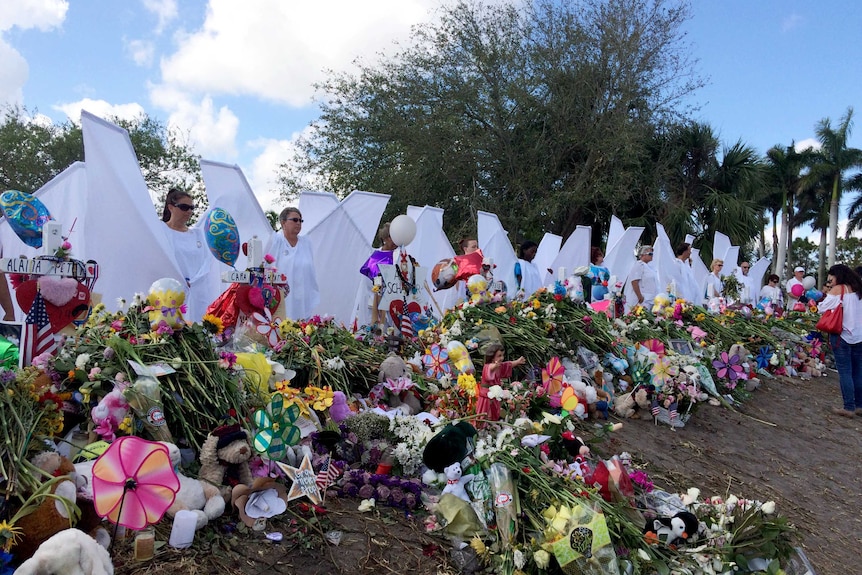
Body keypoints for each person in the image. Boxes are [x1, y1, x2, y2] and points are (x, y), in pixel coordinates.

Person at [817, 264, 862, 417]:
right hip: (859, 336)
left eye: (832, 277)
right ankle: (859, 405)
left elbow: (822, 308)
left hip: (843, 335)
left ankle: (848, 407)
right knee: (858, 372)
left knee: (845, 372)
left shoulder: (840, 289)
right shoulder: (858, 289)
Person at [161, 188, 212, 322]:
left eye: (191, 208)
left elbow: (207, 262)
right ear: (171, 207)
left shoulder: (198, 234)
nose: (189, 212)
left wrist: (194, 282)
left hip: (197, 293)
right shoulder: (161, 231)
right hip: (169, 292)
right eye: (184, 207)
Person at [266, 207, 320, 320]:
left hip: (302, 297)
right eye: (295, 220)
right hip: (281, 298)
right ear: (283, 222)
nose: (298, 223)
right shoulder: (276, 240)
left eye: (301, 221)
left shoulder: (306, 243)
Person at [476, 342, 525, 426]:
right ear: (492, 356)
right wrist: (495, 365)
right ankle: (482, 428)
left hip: (495, 395)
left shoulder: (499, 366)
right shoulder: (488, 366)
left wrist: (517, 362)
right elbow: (490, 368)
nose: (502, 358)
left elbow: (508, 365)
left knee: (494, 413)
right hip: (486, 396)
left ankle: (493, 426)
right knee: (484, 414)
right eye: (499, 356)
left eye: (502, 355)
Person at [358, 222, 396, 327]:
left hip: (393, 304)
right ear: (385, 238)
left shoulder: (399, 255)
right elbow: (368, 280)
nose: (394, 241)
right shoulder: (375, 256)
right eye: (391, 237)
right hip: (373, 302)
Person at [623, 246, 657, 312]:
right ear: (642, 254)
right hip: (642, 300)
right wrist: (640, 297)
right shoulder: (639, 265)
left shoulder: (649, 267)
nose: (652, 255)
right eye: (650, 254)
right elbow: (634, 281)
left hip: (649, 299)